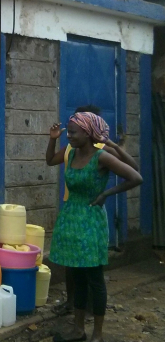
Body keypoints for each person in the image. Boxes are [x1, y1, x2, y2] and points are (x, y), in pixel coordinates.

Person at [46, 112, 143, 342]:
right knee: (78, 277)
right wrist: (52, 139)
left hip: (91, 221)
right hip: (71, 218)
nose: (68, 136)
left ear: (88, 133)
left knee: (95, 279)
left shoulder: (102, 157)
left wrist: (106, 193)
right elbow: (50, 160)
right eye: (67, 131)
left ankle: (97, 334)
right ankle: (78, 329)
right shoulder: (71, 155)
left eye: (73, 132)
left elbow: (136, 176)